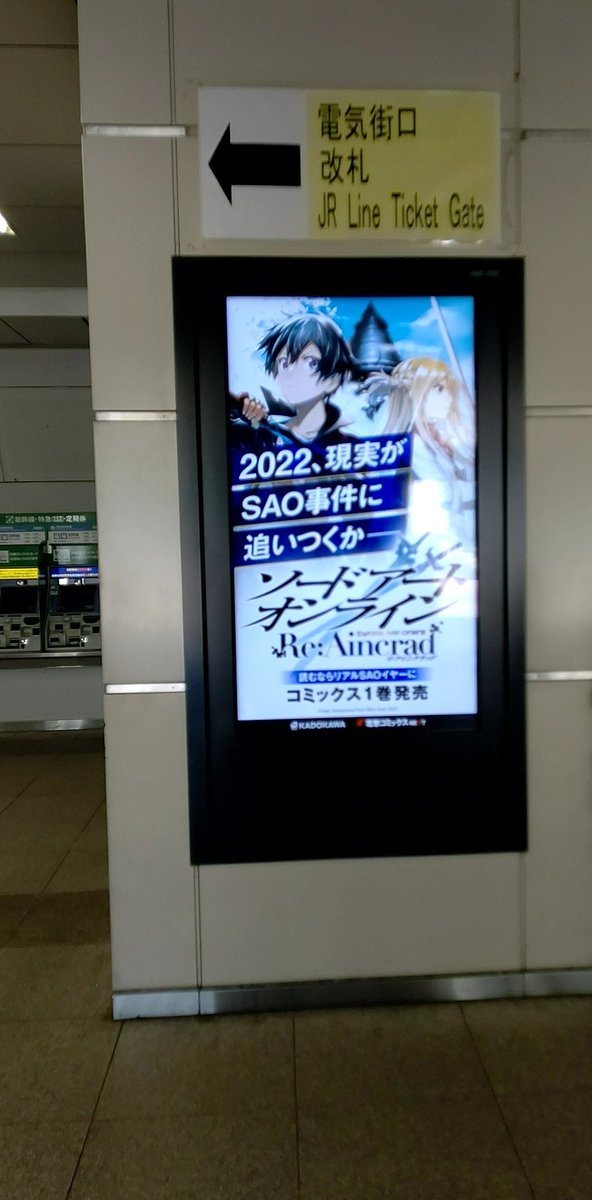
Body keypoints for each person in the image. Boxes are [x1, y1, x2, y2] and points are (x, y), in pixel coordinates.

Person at [363, 356, 475, 531]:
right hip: (432, 531)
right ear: (416, 391)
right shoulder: (414, 444)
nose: (449, 397)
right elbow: (445, 491)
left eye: (450, 390)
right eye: (439, 389)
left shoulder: (436, 437)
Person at [230, 313, 357, 449]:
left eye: (311, 363)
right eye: (284, 363)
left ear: (333, 379)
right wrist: (246, 418)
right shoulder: (266, 432)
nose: (292, 372)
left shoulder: (348, 445)